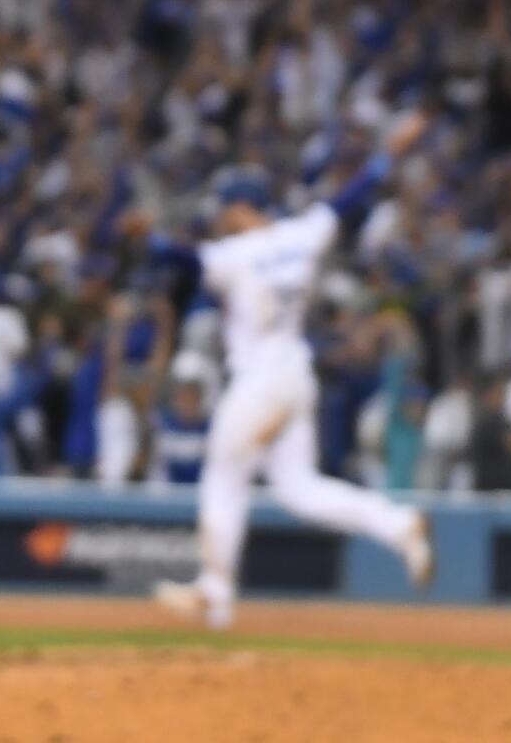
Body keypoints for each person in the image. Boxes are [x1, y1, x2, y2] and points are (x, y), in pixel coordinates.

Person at [134, 112, 435, 630]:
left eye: (225, 208)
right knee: (298, 489)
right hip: (296, 375)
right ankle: (398, 524)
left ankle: (215, 593)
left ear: (239, 206)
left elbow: (182, 262)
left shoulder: (237, 254)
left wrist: (152, 236)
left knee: (223, 471)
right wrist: (391, 150)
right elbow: (354, 197)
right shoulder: (303, 234)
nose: (221, 217)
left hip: (261, 378)